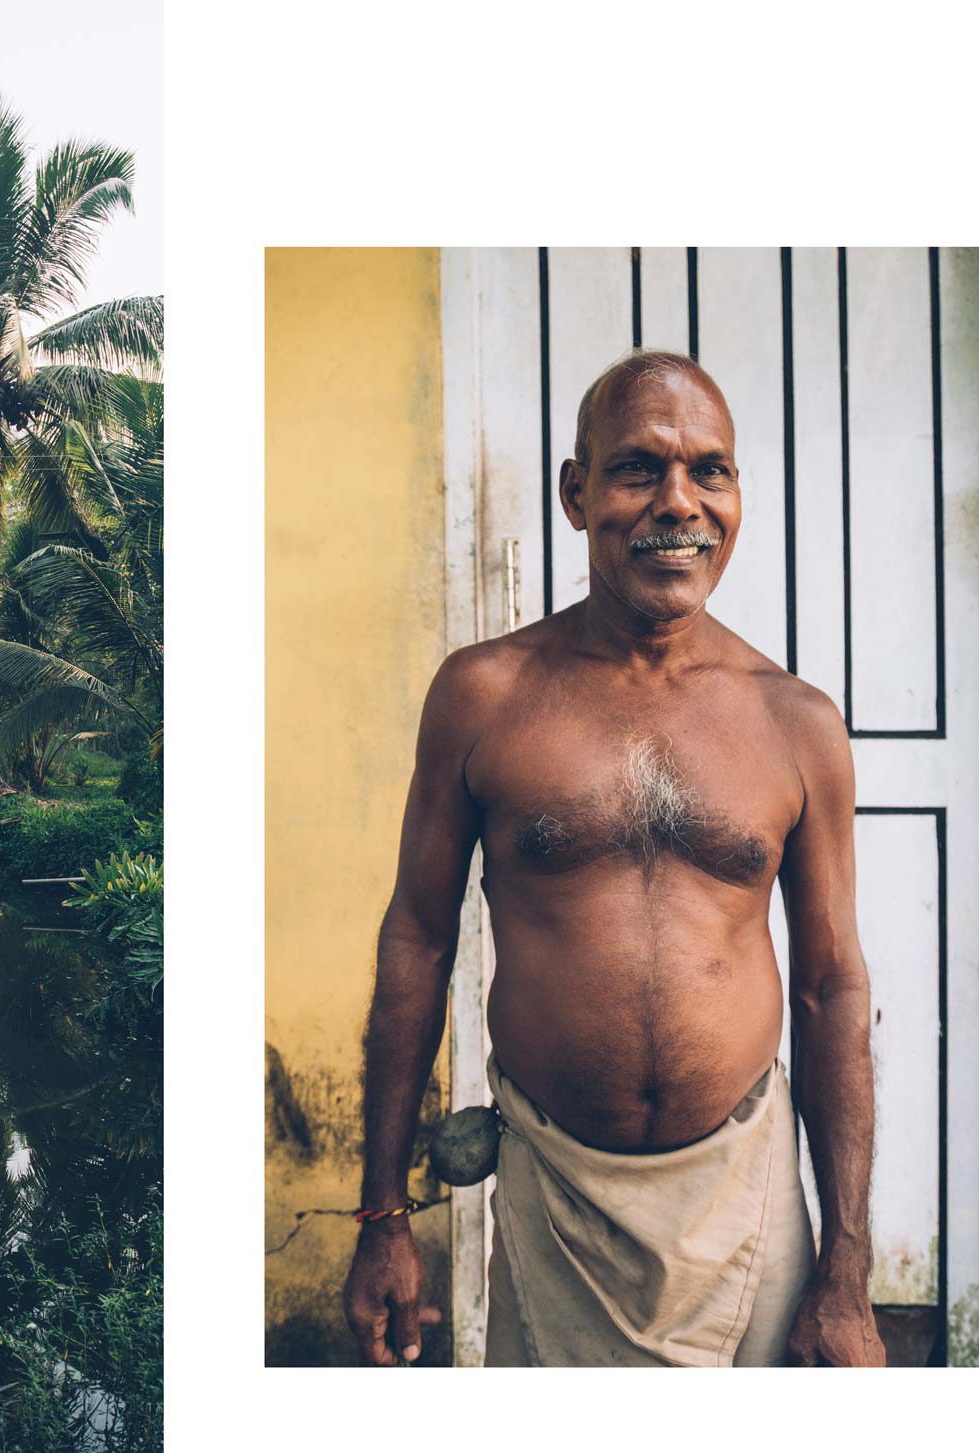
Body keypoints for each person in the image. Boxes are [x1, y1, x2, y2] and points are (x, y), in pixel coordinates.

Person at [342, 351, 885, 1368]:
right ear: (575, 492)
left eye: (709, 471)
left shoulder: (797, 724)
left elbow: (829, 988)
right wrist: (382, 1213)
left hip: (747, 1205)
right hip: (556, 1203)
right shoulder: (485, 696)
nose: (680, 503)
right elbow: (415, 942)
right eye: (640, 467)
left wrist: (847, 1265)